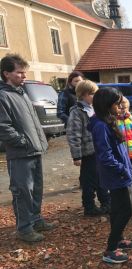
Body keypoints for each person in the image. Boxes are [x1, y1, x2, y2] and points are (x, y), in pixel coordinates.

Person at [0, 53, 54, 242]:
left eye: (24, 72)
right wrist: (22, 141)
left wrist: (39, 142)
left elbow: (32, 122)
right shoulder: (3, 95)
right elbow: (3, 127)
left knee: (36, 188)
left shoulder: (21, 93)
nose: (24, 76)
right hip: (20, 153)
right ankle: (24, 228)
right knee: (22, 191)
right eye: (19, 72)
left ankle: (36, 220)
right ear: (6, 74)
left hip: (34, 149)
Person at [87, 87, 132, 264]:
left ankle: (120, 239)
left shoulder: (108, 120)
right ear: (107, 106)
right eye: (117, 105)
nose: (120, 108)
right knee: (125, 211)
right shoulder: (100, 126)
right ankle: (110, 249)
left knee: (117, 210)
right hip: (115, 175)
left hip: (118, 174)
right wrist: (123, 170)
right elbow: (105, 156)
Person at [66, 80, 111, 216]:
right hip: (88, 153)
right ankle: (89, 207)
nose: (95, 96)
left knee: (102, 177)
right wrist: (76, 155)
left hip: (99, 150)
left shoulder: (96, 108)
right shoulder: (77, 112)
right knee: (88, 181)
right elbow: (73, 134)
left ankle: (106, 203)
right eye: (92, 94)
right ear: (83, 95)